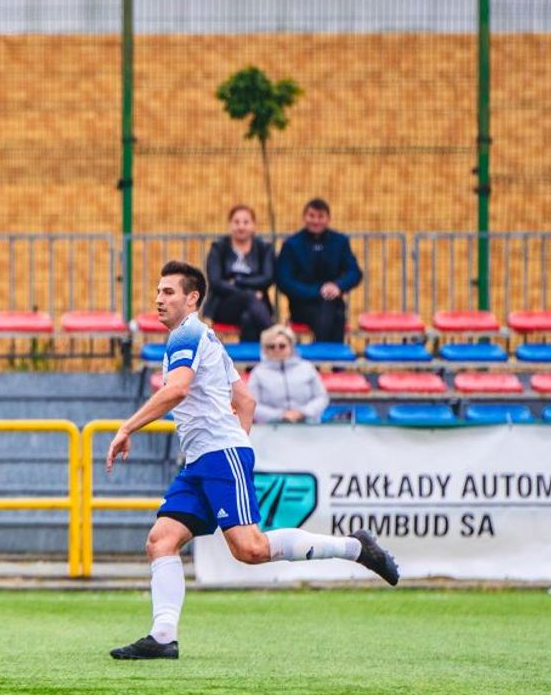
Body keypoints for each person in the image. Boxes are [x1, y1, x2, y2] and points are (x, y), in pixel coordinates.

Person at [103, 261, 399, 661]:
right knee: (161, 540)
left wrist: (128, 428)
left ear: (192, 299)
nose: (159, 299)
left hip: (217, 456)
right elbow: (246, 401)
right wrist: (235, 444)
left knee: (251, 548)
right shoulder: (204, 338)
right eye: (157, 291)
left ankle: (356, 548)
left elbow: (177, 390)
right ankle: (162, 636)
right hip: (203, 460)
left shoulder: (187, 333)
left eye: (168, 292)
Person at [275, 198, 363, 343]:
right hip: (302, 305)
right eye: (312, 216)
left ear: (328, 219)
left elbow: (354, 272)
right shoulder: (291, 245)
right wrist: (318, 292)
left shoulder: (340, 242)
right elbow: (284, 280)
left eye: (320, 216)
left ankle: (322, 354)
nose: (316, 221)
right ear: (304, 217)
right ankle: (328, 355)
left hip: (333, 302)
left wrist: (338, 286)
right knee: (332, 314)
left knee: (334, 312)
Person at [203, 204, 275, 344]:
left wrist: (238, 281)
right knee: (249, 297)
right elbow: (216, 282)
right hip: (223, 305)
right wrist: (250, 292)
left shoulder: (264, 248)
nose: (241, 226)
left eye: (246, 222)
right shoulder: (218, 248)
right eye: (236, 222)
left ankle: (251, 359)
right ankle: (274, 335)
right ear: (230, 224)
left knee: (248, 319)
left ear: (254, 225)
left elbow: (267, 278)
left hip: (257, 307)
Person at [247, 324, 328, 424]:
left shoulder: (307, 368)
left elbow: (321, 397)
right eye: (271, 346)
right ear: (265, 350)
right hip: (271, 426)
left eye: (282, 346)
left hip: (307, 423)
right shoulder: (257, 373)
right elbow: (252, 404)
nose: (277, 349)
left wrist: (302, 412)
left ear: (291, 347)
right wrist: (280, 415)